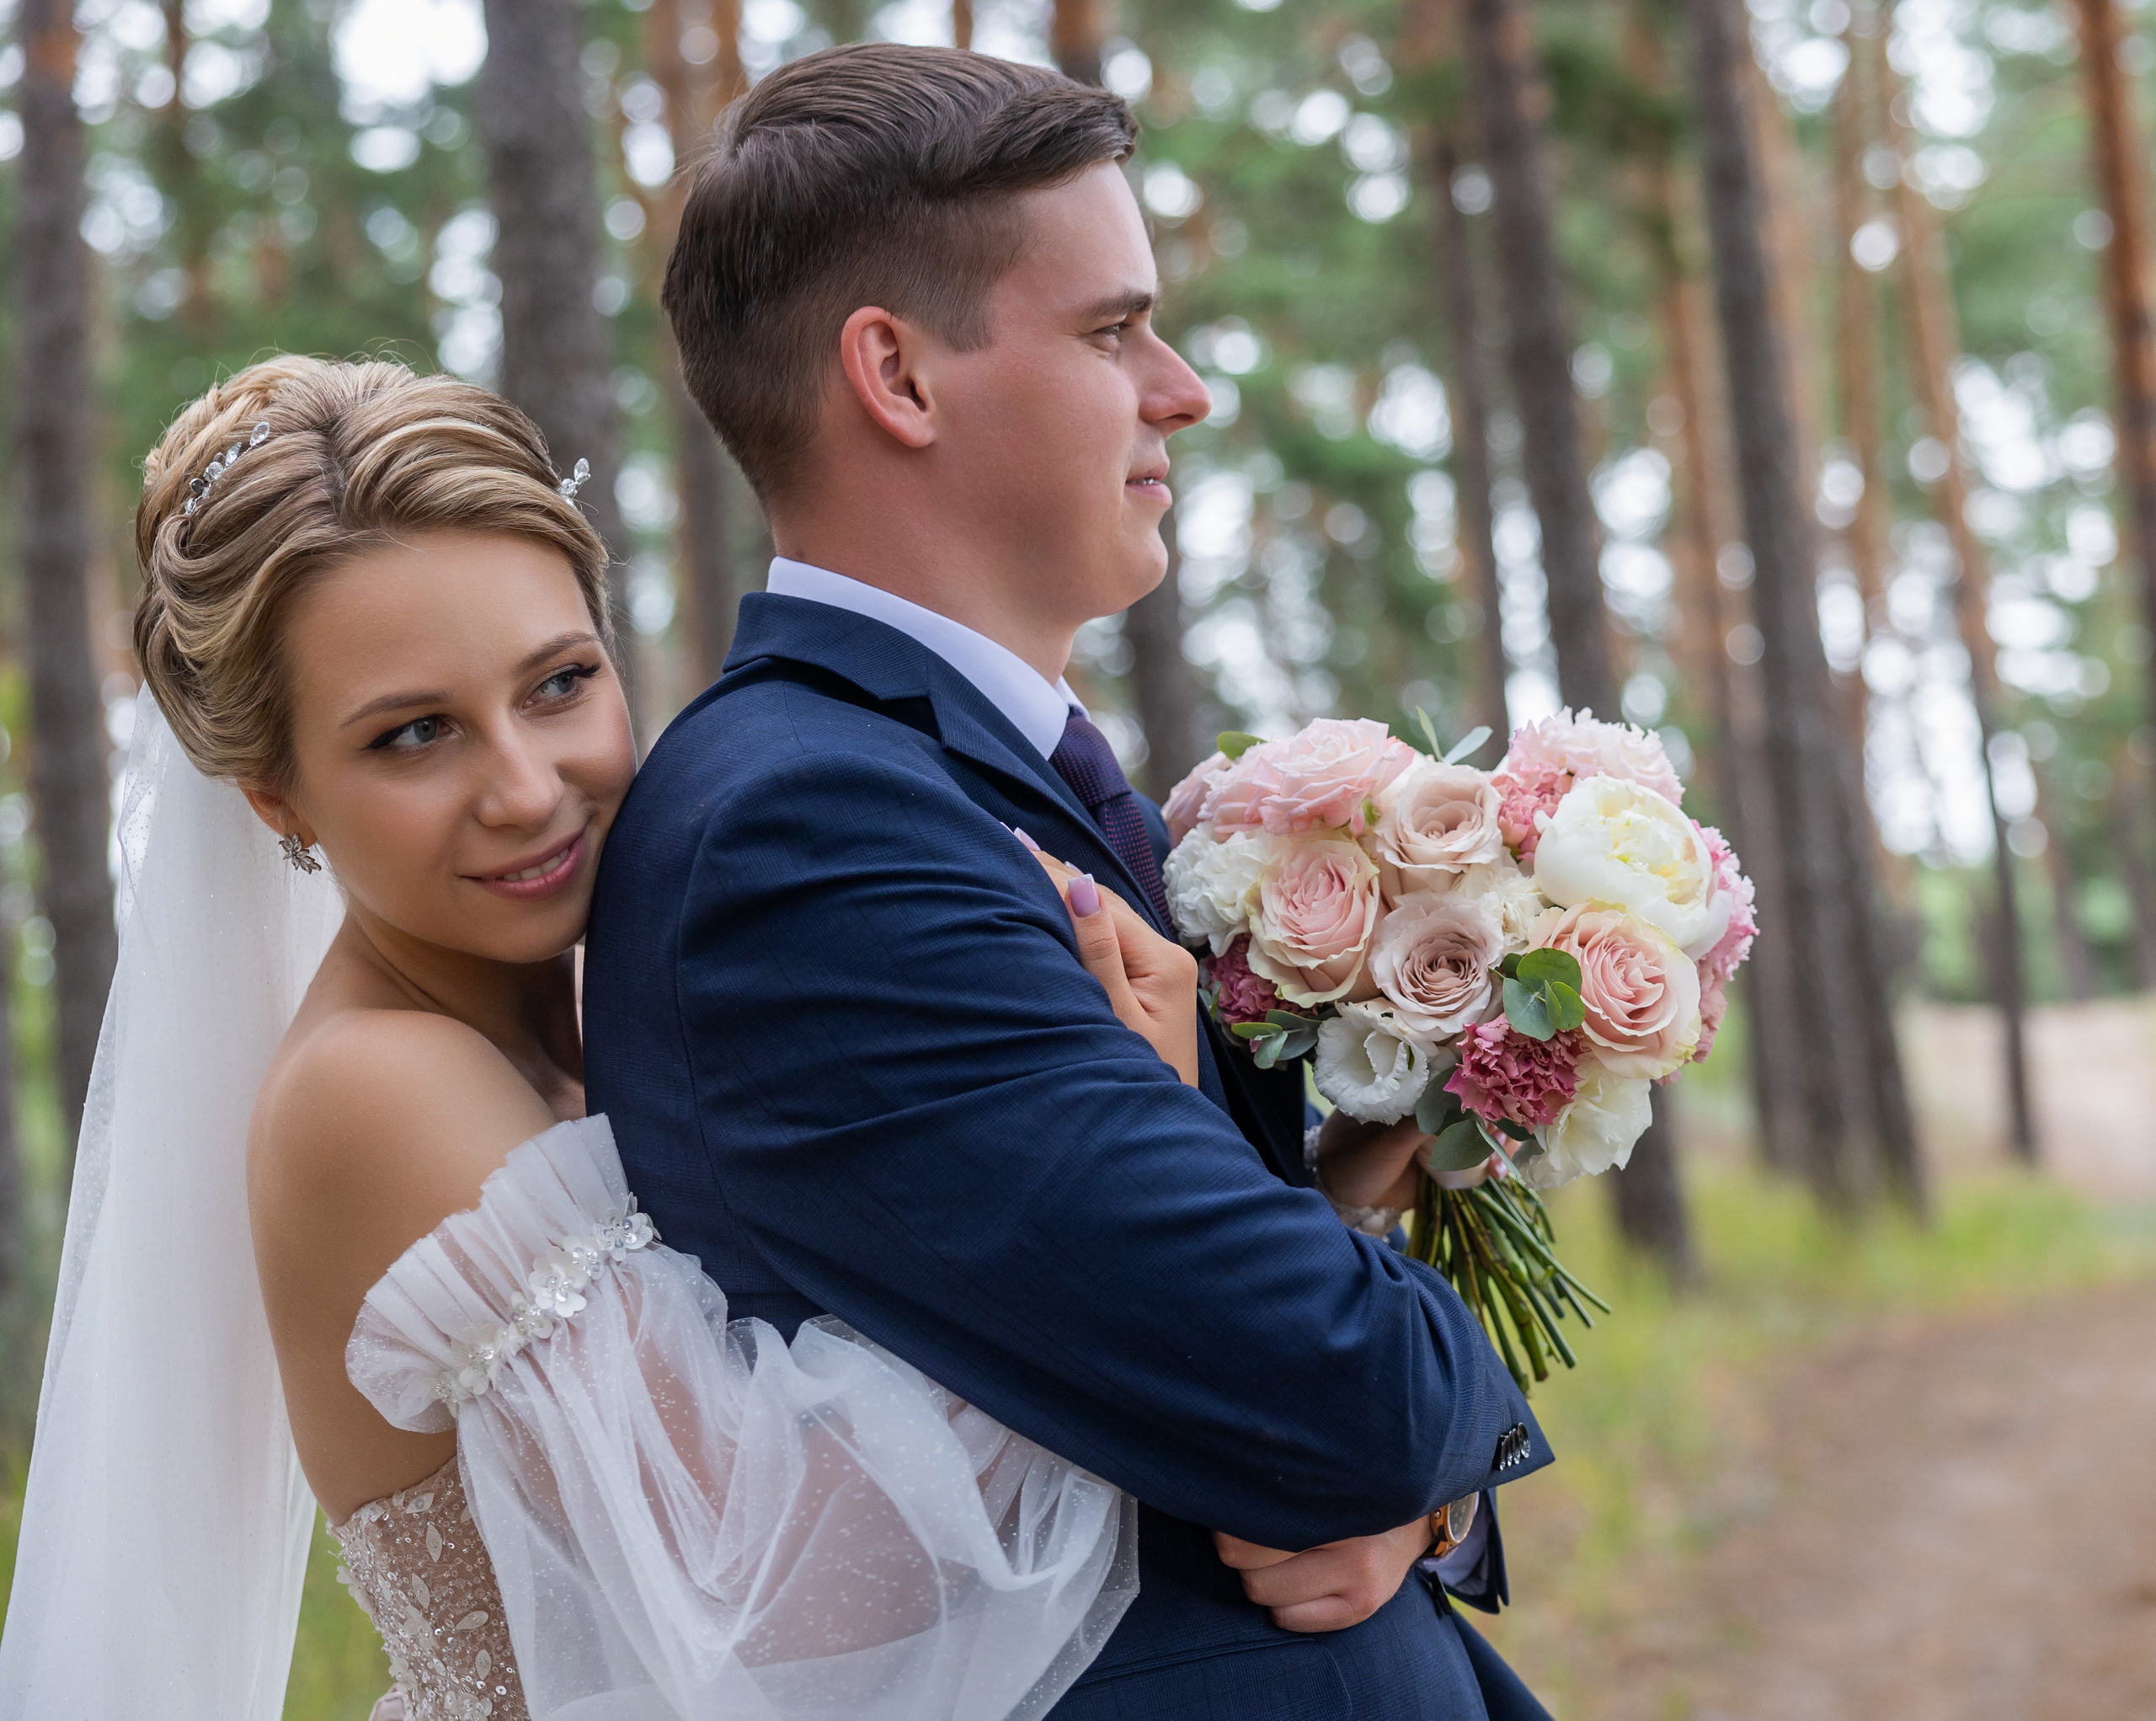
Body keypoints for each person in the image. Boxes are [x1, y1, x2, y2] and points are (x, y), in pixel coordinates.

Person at [586, 43, 1553, 1719]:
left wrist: (1420, 1498)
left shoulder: (974, 777)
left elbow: (1228, 1349)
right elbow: (1326, 1389)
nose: (1180, 390)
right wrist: (1402, 1432)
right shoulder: (810, 836)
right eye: (1113, 329)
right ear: (896, 374)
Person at [0, 355, 1166, 1721]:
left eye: (558, 685)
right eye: (415, 734)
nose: (525, 788)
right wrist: (1129, 1159)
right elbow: (785, 1599)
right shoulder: (372, 1088)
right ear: (279, 804)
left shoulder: (628, 987)